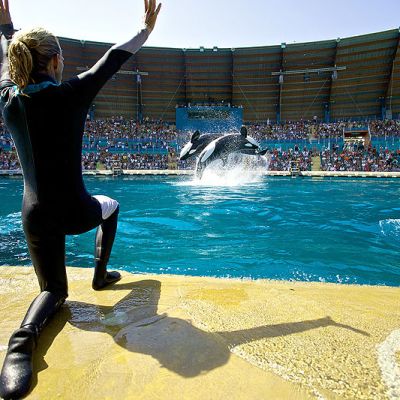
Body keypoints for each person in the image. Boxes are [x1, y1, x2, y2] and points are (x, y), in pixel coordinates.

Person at [0, 0, 161, 398]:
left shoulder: (9, 99)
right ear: (54, 62)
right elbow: (112, 59)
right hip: (75, 212)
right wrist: (145, 30)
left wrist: (7, 26)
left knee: (53, 291)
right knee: (112, 206)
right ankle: (100, 275)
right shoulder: (71, 94)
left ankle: (19, 348)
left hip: (34, 217)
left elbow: (9, 54)